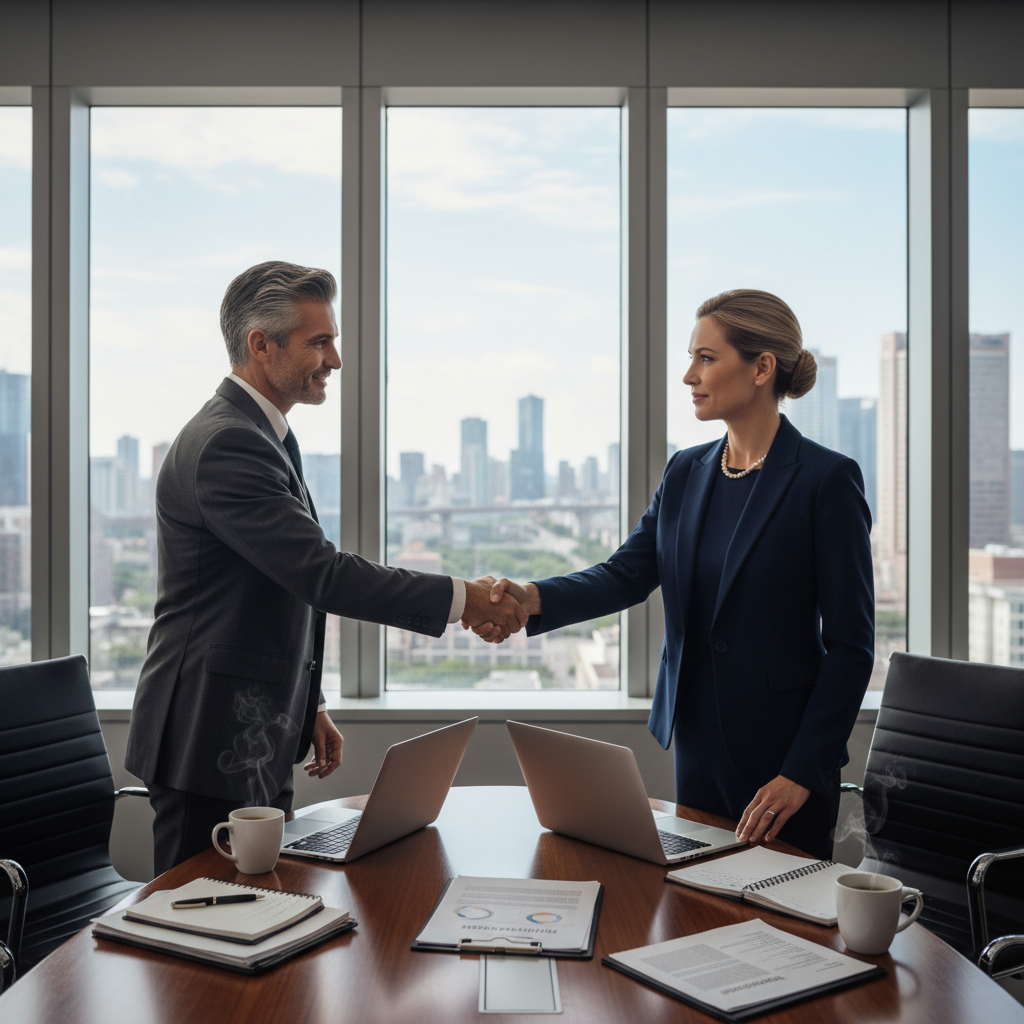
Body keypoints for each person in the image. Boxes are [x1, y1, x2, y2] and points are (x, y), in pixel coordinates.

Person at [126, 261, 526, 874]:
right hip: (206, 738)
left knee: (261, 916)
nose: (335, 359)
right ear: (262, 345)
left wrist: (308, 703)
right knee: (198, 929)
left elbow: (274, 583)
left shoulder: (264, 434)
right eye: (320, 341)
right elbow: (321, 574)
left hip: (253, 726)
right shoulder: (227, 443)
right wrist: (465, 599)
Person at [481, 289, 873, 860]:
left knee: (785, 935)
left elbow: (851, 645)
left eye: (707, 359)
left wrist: (803, 771)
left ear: (762, 368)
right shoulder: (686, 470)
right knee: (699, 917)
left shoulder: (825, 480)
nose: (689, 375)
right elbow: (625, 574)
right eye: (691, 357)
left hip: (783, 767)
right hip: (695, 745)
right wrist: (531, 597)